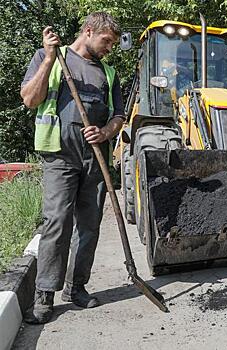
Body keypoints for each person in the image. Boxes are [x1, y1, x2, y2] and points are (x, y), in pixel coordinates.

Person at [20, 12, 124, 323]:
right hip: (60, 154)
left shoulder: (109, 72)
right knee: (58, 221)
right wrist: (50, 58)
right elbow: (29, 98)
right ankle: (45, 294)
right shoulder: (51, 56)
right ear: (89, 31)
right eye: (106, 42)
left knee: (89, 226)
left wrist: (105, 132)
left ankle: (76, 287)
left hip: (95, 157)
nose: (109, 49)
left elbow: (119, 117)